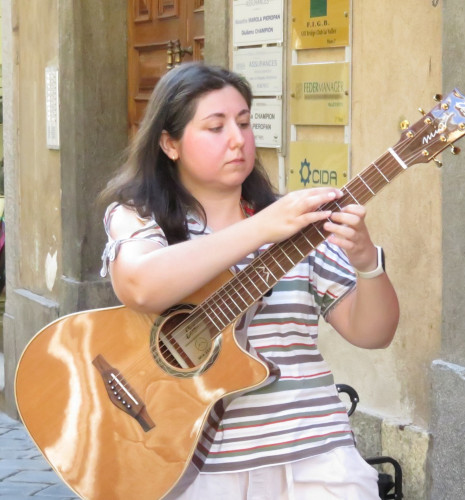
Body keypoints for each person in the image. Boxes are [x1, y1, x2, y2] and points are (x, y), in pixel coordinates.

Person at [100, 62, 399, 500]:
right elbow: (142, 286)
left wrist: (367, 263)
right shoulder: (139, 219)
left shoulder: (300, 225)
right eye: (215, 127)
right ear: (169, 143)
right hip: (196, 467)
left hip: (316, 456)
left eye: (244, 123)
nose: (238, 140)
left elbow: (374, 333)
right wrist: (262, 229)